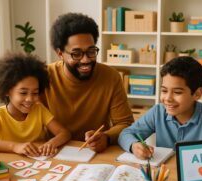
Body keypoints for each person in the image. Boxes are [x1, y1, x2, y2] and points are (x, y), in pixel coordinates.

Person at [118, 56, 202, 160]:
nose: (167, 98)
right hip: (166, 176)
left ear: (197, 94)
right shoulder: (158, 112)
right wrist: (134, 146)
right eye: (164, 90)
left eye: (177, 92)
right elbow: (126, 134)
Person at [41, 13, 134, 152]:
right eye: (76, 54)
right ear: (60, 53)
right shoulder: (43, 77)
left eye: (91, 51)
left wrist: (106, 137)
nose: (85, 60)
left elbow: (125, 123)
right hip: (53, 151)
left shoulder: (111, 77)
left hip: (95, 153)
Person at [0, 52, 71, 157]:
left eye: (35, 93)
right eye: (23, 93)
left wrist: (50, 143)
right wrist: (15, 147)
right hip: (11, 166)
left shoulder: (39, 109)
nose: (30, 99)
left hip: (38, 165)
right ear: (7, 91)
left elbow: (64, 133)